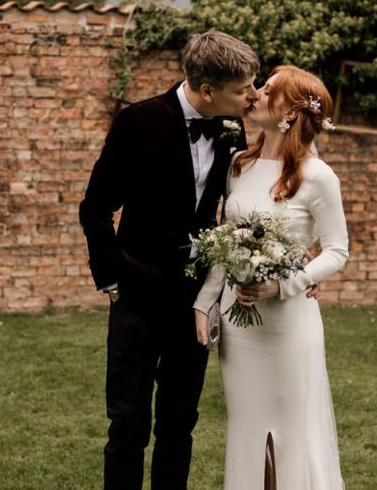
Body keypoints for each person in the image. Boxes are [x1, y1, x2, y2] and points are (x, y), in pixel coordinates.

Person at [79, 30, 260, 490]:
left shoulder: (231, 128)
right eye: (243, 90)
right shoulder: (138, 122)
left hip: (193, 304)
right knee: (128, 426)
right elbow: (96, 208)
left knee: (179, 425)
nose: (252, 97)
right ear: (206, 91)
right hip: (137, 298)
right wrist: (112, 281)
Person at [194, 64, 349, 490]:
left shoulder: (317, 177)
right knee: (245, 428)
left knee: (288, 433)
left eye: (268, 89)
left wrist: (284, 283)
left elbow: (337, 251)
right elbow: (226, 243)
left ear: (289, 112)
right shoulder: (239, 165)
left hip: (286, 327)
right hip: (240, 329)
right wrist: (204, 302)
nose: (256, 93)